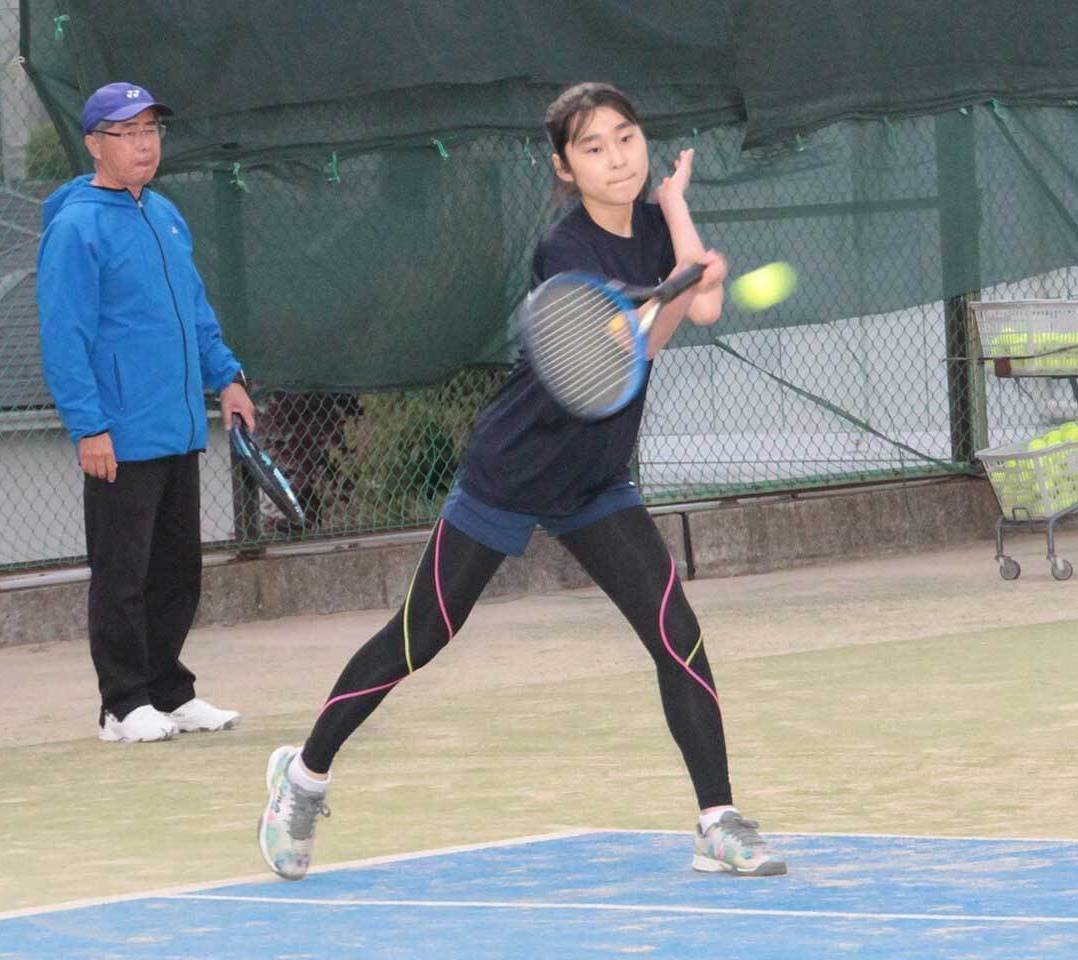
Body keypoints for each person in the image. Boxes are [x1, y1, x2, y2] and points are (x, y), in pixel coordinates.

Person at [255, 82, 785, 880]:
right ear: (565, 167)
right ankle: (302, 777)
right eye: (593, 148)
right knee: (420, 637)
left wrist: (676, 210)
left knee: (674, 630)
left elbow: (697, 309)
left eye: (626, 138)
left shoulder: (651, 224)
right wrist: (683, 282)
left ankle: (718, 819)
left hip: (594, 479)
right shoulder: (564, 249)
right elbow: (627, 342)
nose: (618, 159)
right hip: (512, 469)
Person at [38, 82, 256, 742]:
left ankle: (169, 691)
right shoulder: (75, 229)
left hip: (177, 425)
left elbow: (194, 309)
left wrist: (227, 378)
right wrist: (89, 427)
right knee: (122, 576)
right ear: (94, 144)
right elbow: (64, 336)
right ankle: (123, 704)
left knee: (176, 573)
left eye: (151, 131)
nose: (144, 144)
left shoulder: (165, 215)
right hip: (119, 434)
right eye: (127, 132)